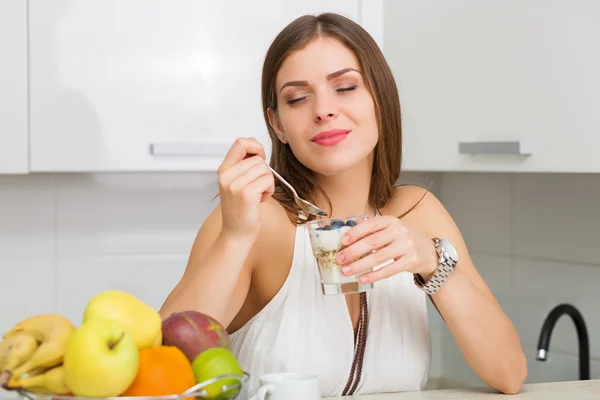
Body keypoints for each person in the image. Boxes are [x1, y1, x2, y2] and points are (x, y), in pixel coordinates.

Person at [160, 12, 527, 398]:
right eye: (297, 98)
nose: (323, 110)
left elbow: (509, 372)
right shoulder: (256, 221)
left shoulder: (419, 210)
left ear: (380, 100)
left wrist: (433, 263)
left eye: (346, 87)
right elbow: (160, 369)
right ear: (278, 125)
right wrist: (234, 237)